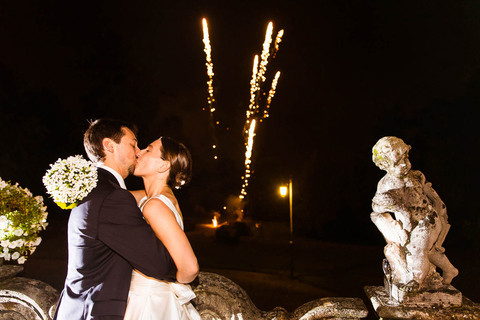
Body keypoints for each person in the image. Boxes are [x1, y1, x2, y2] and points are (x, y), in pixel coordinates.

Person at [53, 119, 177, 320]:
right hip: (94, 313)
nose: (138, 151)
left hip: (77, 309)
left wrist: (161, 194)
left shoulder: (96, 189)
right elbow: (160, 264)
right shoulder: (112, 198)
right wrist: (186, 274)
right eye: (133, 144)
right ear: (109, 146)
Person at [125, 137, 200, 320]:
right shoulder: (151, 198)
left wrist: (169, 284)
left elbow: (190, 268)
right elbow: (115, 197)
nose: (139, 152)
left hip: (150, 301)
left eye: (148, 150)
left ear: (163, 166)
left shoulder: (155, 205)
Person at [371, 136, 458, 293]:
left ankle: (415, 280)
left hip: (428, 219)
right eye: (398, 162)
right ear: (385, 165)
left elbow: (432, 195)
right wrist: (399, 209)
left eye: (406, 158)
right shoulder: (386, 184)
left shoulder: (417, 176)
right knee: (427, 250)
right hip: (409, 224)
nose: (404, 164)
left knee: (417, 248)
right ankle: (450, 269)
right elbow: (377, 204)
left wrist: (441, 208)